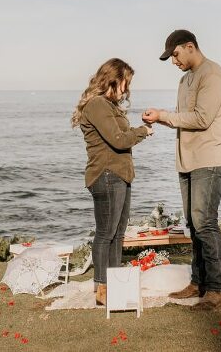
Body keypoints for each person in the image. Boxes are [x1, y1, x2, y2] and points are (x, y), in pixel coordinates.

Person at [142, 30, 221, 311]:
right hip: (188, 161)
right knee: (194, 224)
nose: (174, 61)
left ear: (190, 46)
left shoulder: (212, 74)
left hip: (209, 159)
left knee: (205, 223)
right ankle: (198, 282)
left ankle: (217, 290)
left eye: (176, 54)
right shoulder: (184, 80)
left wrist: (163, 116)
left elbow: (202, 119)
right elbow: (184, 118)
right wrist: (160, 117)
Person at [72, 58, 153, 306]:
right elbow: (118, 140)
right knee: (106, 233)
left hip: (121, 175)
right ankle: (101, 288)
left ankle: (114, 284)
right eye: (126, 82)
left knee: (117, 234)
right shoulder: (97, 104)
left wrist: (139, 129)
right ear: (114, 80)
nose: (127, 89)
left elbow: (121, 136)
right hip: (106, 175)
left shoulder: (109, 105)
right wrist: (143, 131)